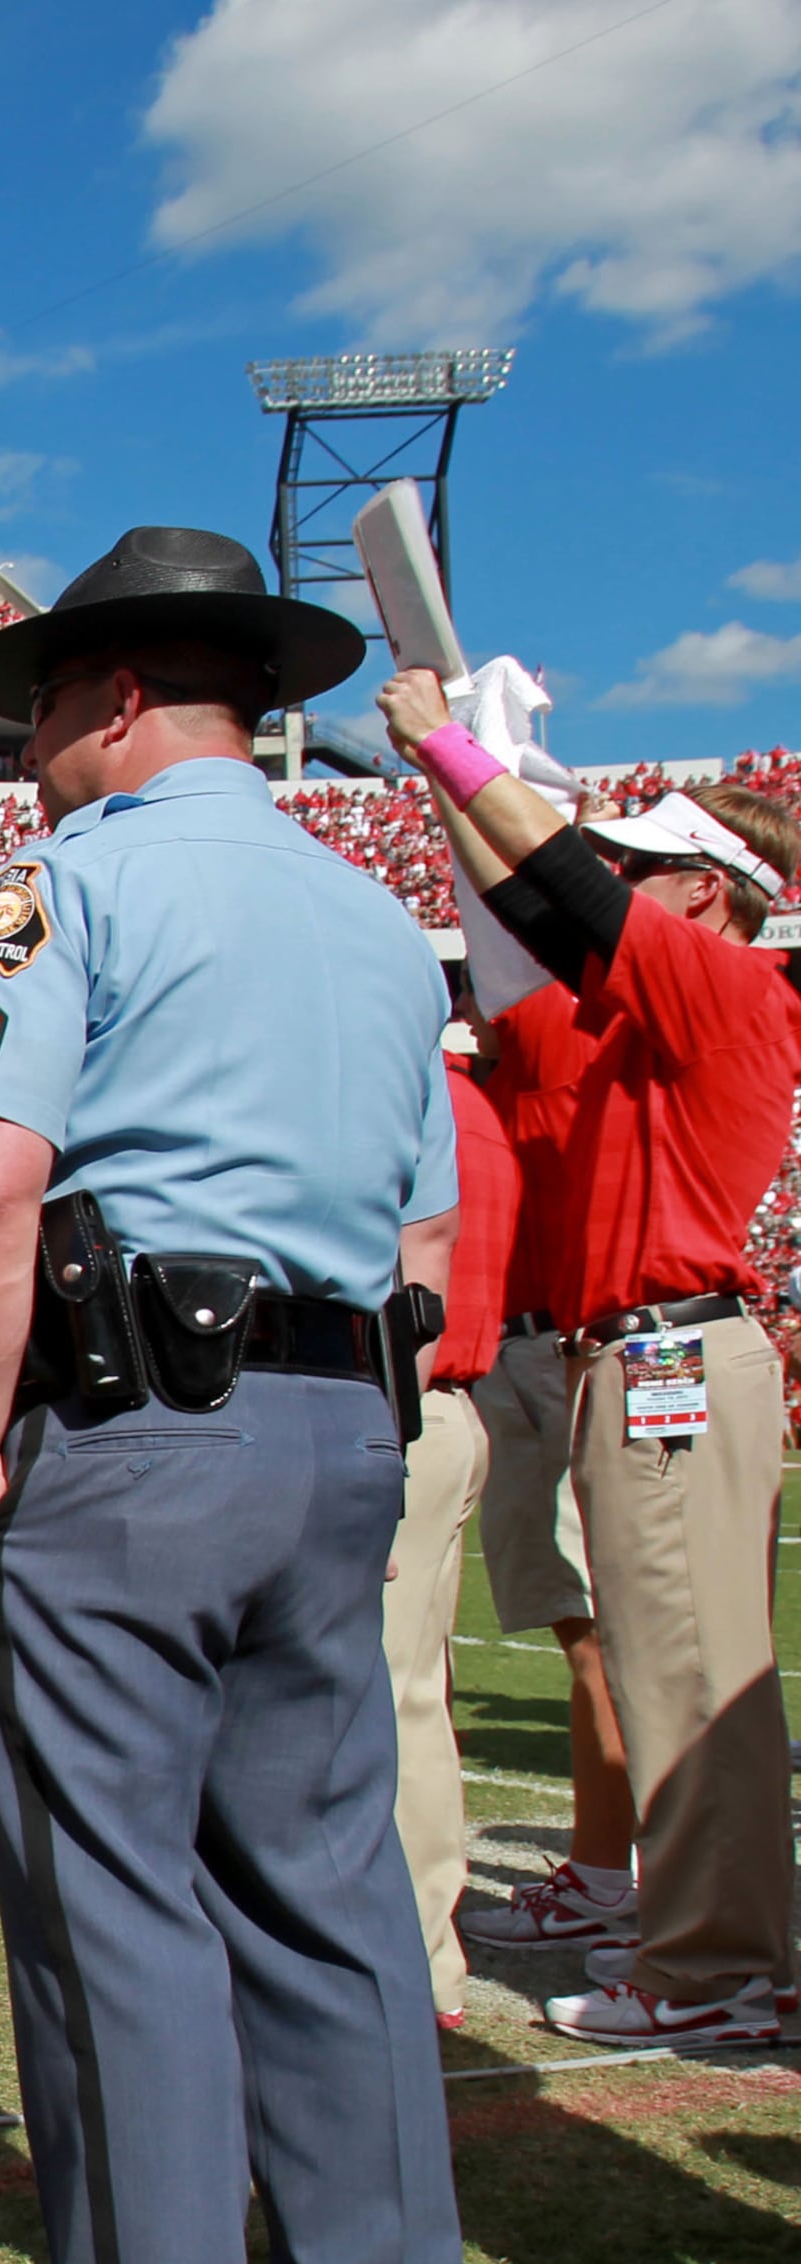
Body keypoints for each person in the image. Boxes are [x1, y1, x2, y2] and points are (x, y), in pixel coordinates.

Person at [0, 525, 462, 2264]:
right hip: (343, 1412)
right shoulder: (366, 914)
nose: (34, 742)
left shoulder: (64, 888)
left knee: (108, 1911)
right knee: (327, 1884)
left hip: (134, 1423)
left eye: (47, 699)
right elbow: (426, 1220)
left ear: (120, 693)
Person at [377, 663, 801, 2047]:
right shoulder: (657, 1009)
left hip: (674, 1356)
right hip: (642, 1359)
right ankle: (703, 1941)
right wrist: (454, 783)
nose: (620, 877)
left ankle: (718, 1968)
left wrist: (447, 743)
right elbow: (531, 915)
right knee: (669, 1655)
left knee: (687, 1668)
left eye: (649, 867)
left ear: (708, 892)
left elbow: (567, 888)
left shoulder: (732, 986)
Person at [451, 959, 645, 1955]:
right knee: (584, 1621)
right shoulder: (506, 1078)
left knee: (602, 1632)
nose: (471, 1010)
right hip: (526, 1350)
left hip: (553, 1347)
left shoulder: (554, 1041)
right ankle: (618, 1862)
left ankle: (612, 1868)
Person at [378, 995, 516, 2028]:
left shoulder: (418, 1102)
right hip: (448, 1403)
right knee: (416, 1690)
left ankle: (408, 1954)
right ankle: (424, 1945)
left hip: (402, 1406)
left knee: (378, 1696)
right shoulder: (473, 1105)